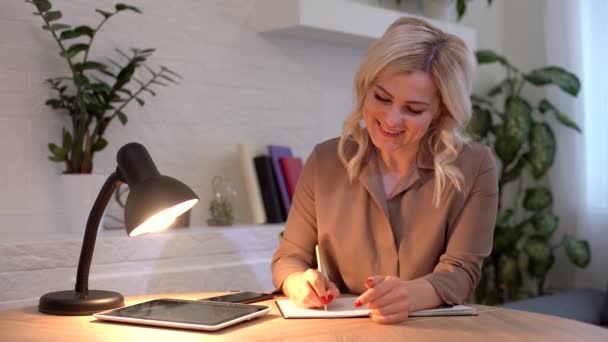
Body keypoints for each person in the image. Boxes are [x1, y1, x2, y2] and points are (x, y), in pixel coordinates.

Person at [271, 17, 498, 325]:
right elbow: (289, 257)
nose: (392, 119)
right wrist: (299, 283)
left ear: (440, 111)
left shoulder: (475, 166)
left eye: (414, 109)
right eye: (382, 97)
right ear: (366, 87)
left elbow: (462, 271)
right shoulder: (325, 160)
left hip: (432, 330)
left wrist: (410, 295)